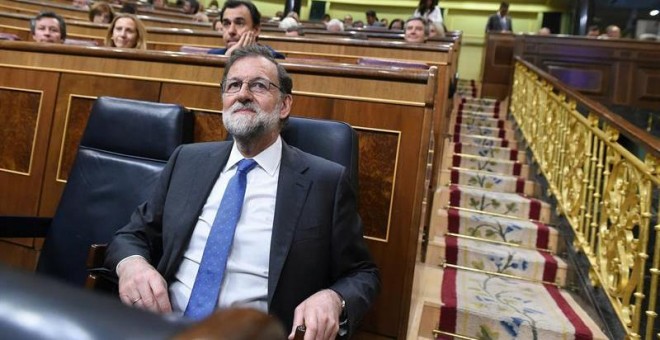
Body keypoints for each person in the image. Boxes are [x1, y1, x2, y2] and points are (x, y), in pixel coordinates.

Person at [104, 44, 380, 339]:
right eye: (233, 85)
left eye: (259, 85)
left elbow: (363, 274)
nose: (243, 94)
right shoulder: (188, 160)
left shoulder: (325, 181)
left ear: (284, 105)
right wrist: (132, 266)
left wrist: (332, 298)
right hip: (163, 326)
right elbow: (132, 234)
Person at [207, 0, 284, 58]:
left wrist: (230, 59)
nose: (231, 31)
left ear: (256, 30)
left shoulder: (273, 59)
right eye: (226, 24)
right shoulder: (212, 56)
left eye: (239, 23)